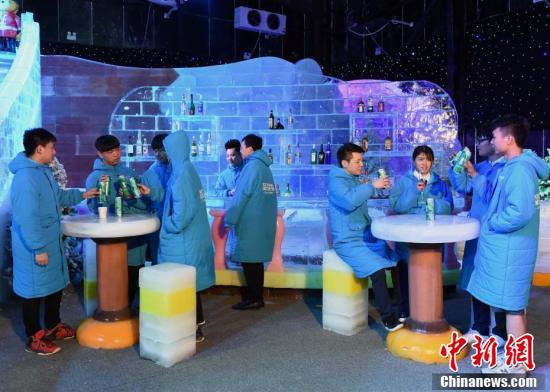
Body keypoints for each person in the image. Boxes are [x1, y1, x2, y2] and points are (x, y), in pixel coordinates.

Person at [465, 115, 548, 374]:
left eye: (495, 136)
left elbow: (519, 212)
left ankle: (517, 363)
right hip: (511, 247)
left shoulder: (520, 169)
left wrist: (492, 223)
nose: (492, 140)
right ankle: (516, 358)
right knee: (513, 305)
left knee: (512, 306)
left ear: (508, 139)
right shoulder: (513, 166)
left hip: (512, 247)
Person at [9, 128, 98, 355]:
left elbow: (58, 197)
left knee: (53, 285)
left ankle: (52, 324)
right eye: (51, 147)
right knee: (33, 290)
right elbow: (26, 217)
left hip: (49, 239)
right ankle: (34, 336)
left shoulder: (43, 171)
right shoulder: (26, 178)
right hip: (35, 244)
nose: (54, 152)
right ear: (39, 149)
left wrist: (83, 194)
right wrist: (38, 247)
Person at [328, 143, 403, 331]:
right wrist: (372, 185)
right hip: (348, 240)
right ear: (344, 163)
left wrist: (378, 185)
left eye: (362, 160)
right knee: (377, 271)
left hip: (366, 236)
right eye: (357, 161)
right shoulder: (336, 181)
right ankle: (388, 318)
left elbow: (360, 193)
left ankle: (403, 309)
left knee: (398, 262)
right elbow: (349, 201)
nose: (361, 164)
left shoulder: (354, 178)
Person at [85, 135, 160, 308]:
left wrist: (141, 201)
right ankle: (115, 309)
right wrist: (112, 203)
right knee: (116, 274)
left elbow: (144, 201)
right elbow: (94, 210)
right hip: (113, 236)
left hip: (136, 234)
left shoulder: (129, 173)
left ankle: (129, 309)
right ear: (99, 154)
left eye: (118, 149)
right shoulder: (95, 178)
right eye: (110, 151)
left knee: (135, 272)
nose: (116, 154)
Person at [448, 129, 507, 345]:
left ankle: (500, 331)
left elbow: (491, 196)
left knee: (498, 281)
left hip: (495, 233)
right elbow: (462, 187)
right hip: (477, 231)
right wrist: (456, 167)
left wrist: (473, 173)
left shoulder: (507, 168)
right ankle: (480, 328)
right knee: (475, 279)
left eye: (484, 140)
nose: (479, 145)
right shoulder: (482, 167)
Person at [157, 131, 215, 342]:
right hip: (194, 238)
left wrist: (168, 226)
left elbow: (182, 214)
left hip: (182, 241)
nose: (164, 153)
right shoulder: (189, 170)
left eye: (166, 149)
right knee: (190, 285)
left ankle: (189, 329)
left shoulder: (180, 175)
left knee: (183, 285)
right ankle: (196, 325)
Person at [389, 145, 453, 321]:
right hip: (408, 236)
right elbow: (398, 207)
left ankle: (430, 312)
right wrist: (414, 192)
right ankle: (405, 310)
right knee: (405, 272)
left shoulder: (439, 183)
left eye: (428, 159)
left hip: (431, 235)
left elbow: (448, 208)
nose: (425, 163)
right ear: (414, 161)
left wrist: (430, 198)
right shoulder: (404, 181)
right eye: (420, 159)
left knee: (429, 273)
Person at [225, 134, 277, 310]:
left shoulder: (251, 167)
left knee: (250, 262)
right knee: (256, 262)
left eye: (242, 147)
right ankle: (257, 296)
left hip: (251, 223)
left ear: (250, 149)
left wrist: (230, 219)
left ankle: (253, 299)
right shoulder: (264, 168)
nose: (240, 150)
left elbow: (241, 196)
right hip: (262, 222)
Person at [142, 133, 172, 265]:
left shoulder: (178, 168)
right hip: (157, 219)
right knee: (157, 256)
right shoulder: (151, 171)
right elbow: (145, 200)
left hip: (174, 218)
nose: (158, 154)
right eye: (155, 151)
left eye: (162, 150)